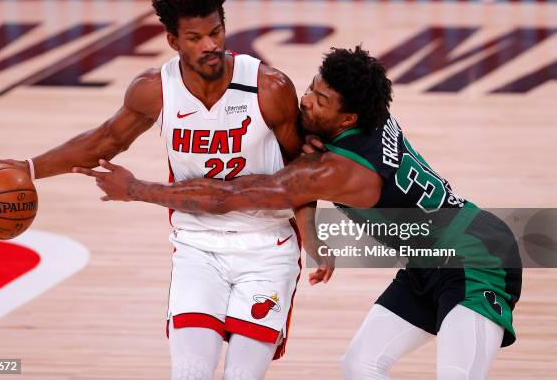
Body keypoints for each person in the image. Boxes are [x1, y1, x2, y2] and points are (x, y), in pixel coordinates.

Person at [77, 46, 522, 379]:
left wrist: (135, 188)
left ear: (347, 119)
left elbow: (230, 196)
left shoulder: (337, 169)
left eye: (320, 101)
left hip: (477, 258)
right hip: (428, 260)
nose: (306, 101)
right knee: (359, 365)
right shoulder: (368, 115)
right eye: (312, 88)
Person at [0, 0, 329, 380]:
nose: (210, 45)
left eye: (215, 32)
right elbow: (105, 140)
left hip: (267, 247)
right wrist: (29, 169)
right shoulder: (156, 89)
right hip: (196, 247)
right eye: (194, 37)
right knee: (189, 373)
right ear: (173, 41)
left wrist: (312, 235)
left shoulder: (268, 87)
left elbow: (301, 169)